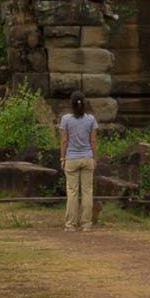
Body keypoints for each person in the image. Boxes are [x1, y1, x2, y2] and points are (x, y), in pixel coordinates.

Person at [57, 92, 99, 232]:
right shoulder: (91, 119)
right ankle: (86, 224)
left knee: (72, 192)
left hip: (71, 158)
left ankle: (70, 224)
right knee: (87, 191)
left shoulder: (65, 119)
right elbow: (93, 141)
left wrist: (62, 158)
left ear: (71, 103)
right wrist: (95, 157)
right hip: (87, 157)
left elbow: (64, 141)